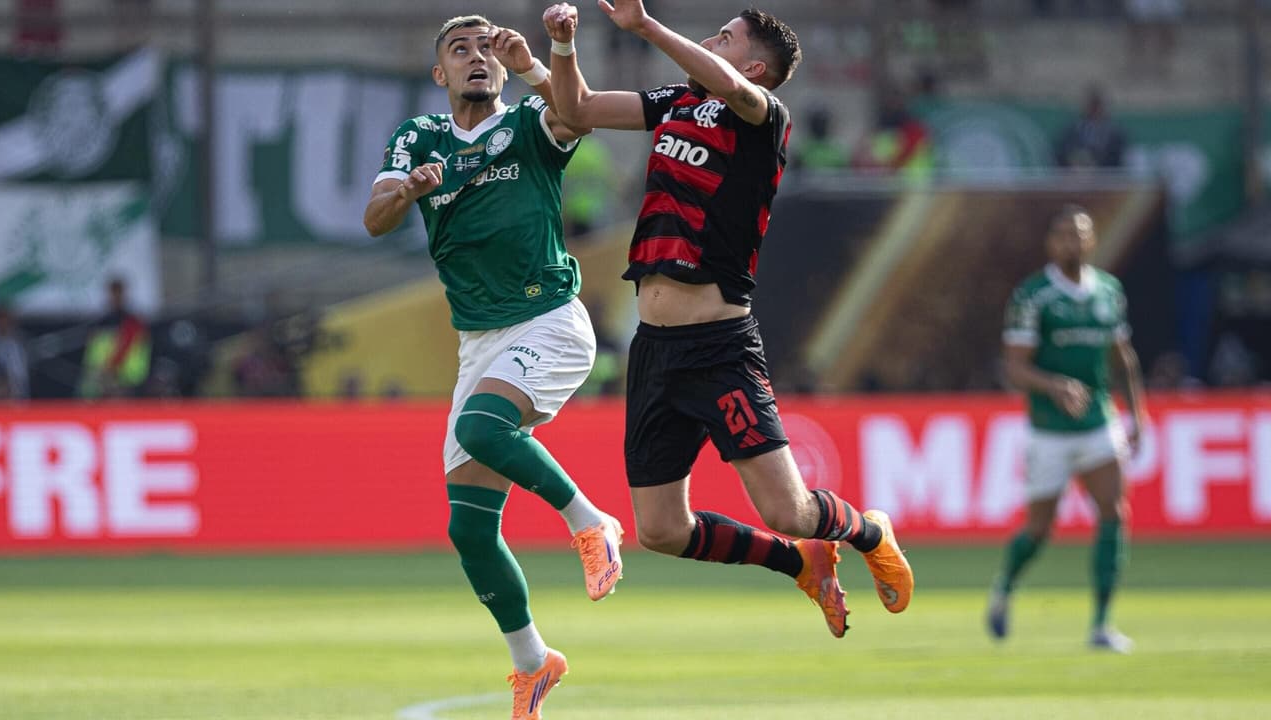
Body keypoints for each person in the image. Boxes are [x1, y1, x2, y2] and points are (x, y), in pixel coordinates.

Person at [542, 1, 914, 640]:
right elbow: (577, 111)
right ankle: (799, 564)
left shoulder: (763, 115)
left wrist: (645, 26)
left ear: (757, 64)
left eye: (726, 37)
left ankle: (868, 532)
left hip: (719, 345)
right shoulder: (678, 101)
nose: (712, 39)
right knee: (660, 529)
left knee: (791, 509)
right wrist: (559, 49)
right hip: (655, 348)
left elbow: (733, 88)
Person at [361, 16, 622, 720]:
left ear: (500, 71)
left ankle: (591, 522)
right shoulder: (419, 138)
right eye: (459, 50)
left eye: (486, 50)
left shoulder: (530, 122)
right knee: (469, 530)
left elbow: (579, 114)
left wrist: (546, 59)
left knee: (481, 429)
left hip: (548, 318)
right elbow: (376, 218)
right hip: (479, 340)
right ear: (441, 74)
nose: (476, 59)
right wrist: (409, 190)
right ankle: (534, 662)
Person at [990, 205, 1148, 653]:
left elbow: (1123, 356)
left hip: (1100, 421)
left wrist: (1137, 411)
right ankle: (1005, 587)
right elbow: (1014, 368)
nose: (1071, 242)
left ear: (1092, 241)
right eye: (1062, 235)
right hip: (1049, 429)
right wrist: (1054, 385)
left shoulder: (1108, 291)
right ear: (1050, 243)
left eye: (1079, 234)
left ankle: (1101, 623)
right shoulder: (1033, 295)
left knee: (1114, 512)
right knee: (1039, 530)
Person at [78, 278, 150, 399]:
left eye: (118, 293)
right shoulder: (101, 321)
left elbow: (126, 347)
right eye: (112, 293)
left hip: (126, 379)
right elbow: (93, 352)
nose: (114, 297)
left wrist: (108, 369)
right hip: (100, 379)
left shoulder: (132, 322)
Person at [1056, 87, 1126, 169]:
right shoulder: (1075, 128)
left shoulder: (1114, 132)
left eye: (1097, 106)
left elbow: (1117, 156)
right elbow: (1064, 150)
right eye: (1092, 106)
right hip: (1076, 172)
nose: (1095, 110)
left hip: (1104, 172)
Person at [0, 305, 30, 401]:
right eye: (0, 320)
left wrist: (12, 386)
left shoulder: (17, 345)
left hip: (16, 394)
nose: (3, 323)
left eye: (5, 320)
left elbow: (21, 373)